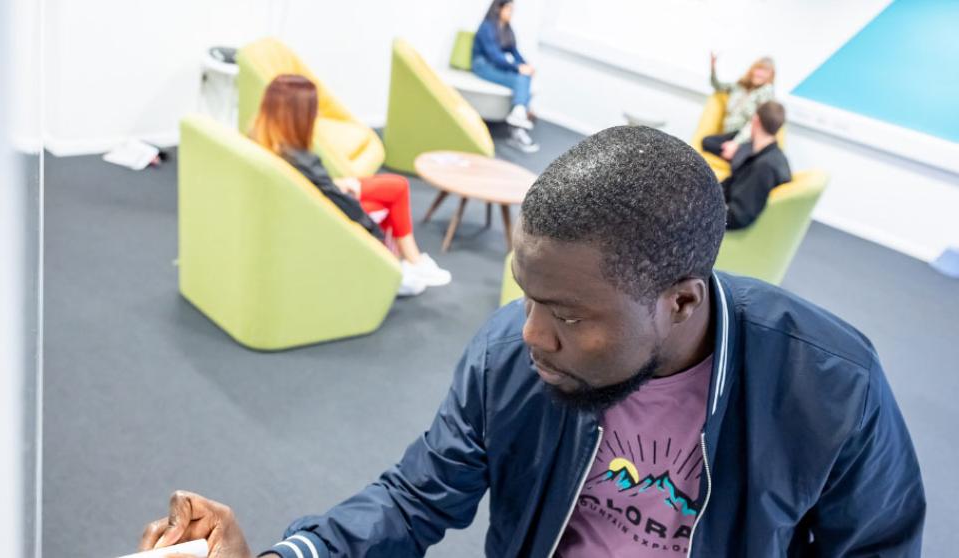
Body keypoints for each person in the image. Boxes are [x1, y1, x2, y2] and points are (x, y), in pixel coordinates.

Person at [139, 127, 925, 557]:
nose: (531, 334)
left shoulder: (831, 388)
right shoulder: (510, 356)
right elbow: (416, 498)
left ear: (680, 301)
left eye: (572, 316)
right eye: (527, 294)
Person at [250, 74, 450, 296]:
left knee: (396, 186)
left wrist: (336, 184)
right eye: (313, 109)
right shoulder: (302, 159)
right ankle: (399, 265)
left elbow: (311, 186)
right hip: (329, 213)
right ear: (299, 115)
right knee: (391, 197)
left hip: (319, 197)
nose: (316, 115)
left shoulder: (261, 139)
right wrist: (374, 235)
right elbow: (343, 206)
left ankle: (413, 261)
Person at [472, 0, 539, 154]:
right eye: (509, 8)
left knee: (524, 76)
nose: (511, 12)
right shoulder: (486, 28)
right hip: (483, 66)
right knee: (520, 77)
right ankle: (521, 116)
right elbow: (495, 57)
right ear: (498, 8)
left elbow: (514, 52)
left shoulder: (507, 28)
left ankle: (519, 113)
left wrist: (526, 66)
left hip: (495, 65)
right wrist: (517, 67)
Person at [721, 100, 791, 229]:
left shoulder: (764, 167)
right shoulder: (774, 157)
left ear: (755, 120)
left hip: (726, 227)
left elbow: (737, 217)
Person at [701, 54, 775, 161]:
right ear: (753, 70)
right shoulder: (739, 87)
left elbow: (755, 122)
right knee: (707, 142)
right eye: (759, 69)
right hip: (730, 133)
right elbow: (717, 86)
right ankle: (735, 158)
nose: (761, 74)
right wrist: (713, 68)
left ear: (770, 76)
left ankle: (737, 158)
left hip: (746, 136)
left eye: (766, 72)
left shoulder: (765, 92)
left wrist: (736, 143)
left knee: (748, 153)